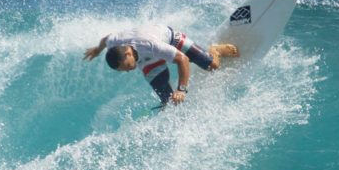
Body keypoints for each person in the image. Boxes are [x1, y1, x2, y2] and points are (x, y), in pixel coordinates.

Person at [84, 25, 238, 105]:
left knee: (213, 66)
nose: (128, 71)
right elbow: (106, 39)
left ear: (127, 54)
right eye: (123, 70)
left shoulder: (150, 45)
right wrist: (97, 50)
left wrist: (181, 90)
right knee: (169, 102)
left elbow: (182, 59)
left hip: (168, 38)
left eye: (127, 66)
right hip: (146, 59)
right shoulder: (114, 43)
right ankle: (165, 102)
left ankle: (215, 50)